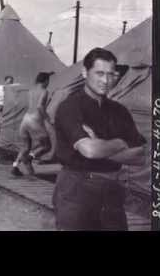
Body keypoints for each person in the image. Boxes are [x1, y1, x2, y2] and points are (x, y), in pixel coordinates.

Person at [52, 48, 147, 231]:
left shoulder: (120, 111)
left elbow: (140, 156)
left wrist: (100, 146)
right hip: (76, 188)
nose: (106, 81)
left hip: (112, 189)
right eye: (100, 73)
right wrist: (120, 143)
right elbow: (90, 150)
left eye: (111, 75)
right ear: (85, 72)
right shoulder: (70, 107)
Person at [12, 72, 54, 177]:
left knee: (25, 146)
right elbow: (40, 107)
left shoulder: (31, 91)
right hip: (34, 119)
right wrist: (47, 118)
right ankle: (30, 158)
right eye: (48, 81)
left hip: (25, 119)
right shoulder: (44, 91)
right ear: (45, 81)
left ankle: (15, 166)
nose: (48, 83)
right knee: (47, 145)